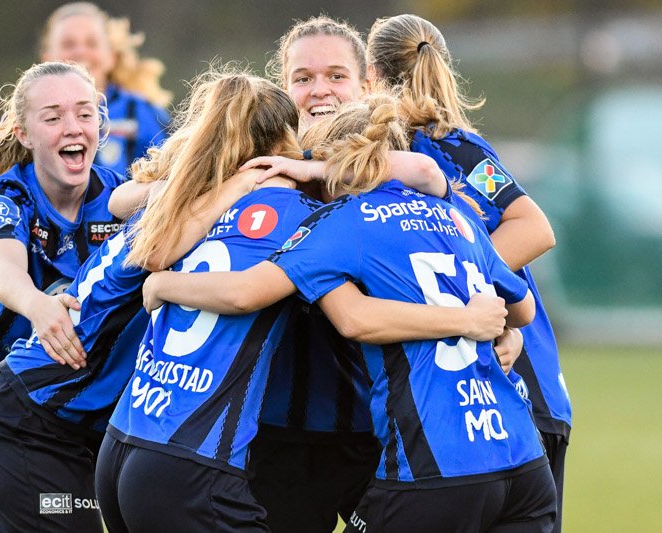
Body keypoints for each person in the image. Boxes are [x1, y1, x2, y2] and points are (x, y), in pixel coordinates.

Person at [96, 69, 510, 532]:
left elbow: (120, 205)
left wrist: (162, 282)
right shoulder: (313, 218)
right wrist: (473, 321)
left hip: (126, 439)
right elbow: (338, 311)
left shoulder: (193, 201)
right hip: (194, 458)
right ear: (288, 141)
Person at [244, 16, 525, 532]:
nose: (319, 90)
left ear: (368, 83)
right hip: (278, 429)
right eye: (303, 78)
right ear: (283, 87)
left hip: (384, 431)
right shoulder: (259, 167)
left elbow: (498, 243)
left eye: (336, 75)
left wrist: (497, 325)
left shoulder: (417, 166)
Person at [0, 167, 262, 531]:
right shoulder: (171, 223)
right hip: (25, 417)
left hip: (73, 427)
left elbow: (122, 199)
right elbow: (2, 268)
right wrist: (242, 184)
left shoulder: (131, 195)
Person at [366, 14, 571, 531]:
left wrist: (460, 292)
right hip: (475, 403)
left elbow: (535, 228)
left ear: (370, 75)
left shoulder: (445, 147)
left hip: (513, 390)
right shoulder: (403, 152)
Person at [0, 61, 124, 533]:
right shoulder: (6, 197)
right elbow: (3, 270)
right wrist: (39, 306)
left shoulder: (119, 196)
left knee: (68, 517)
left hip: (69, 426)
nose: (72, 127)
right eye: (52, 117)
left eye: (84, 113)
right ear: (24, 133)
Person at [0, 1, 171, 323]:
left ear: (111, 55)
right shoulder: (31, 120)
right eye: (69, 44)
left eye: (91, 42)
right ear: (48, 57)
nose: (81, 51)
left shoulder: (144, 115)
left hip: (113, 253)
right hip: (44, 257)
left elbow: (173, 184)